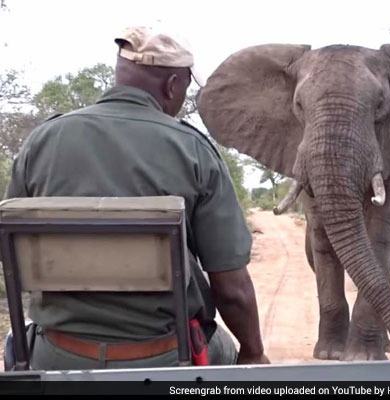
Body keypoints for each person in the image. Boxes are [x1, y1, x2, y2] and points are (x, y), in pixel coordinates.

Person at [4, 26, 270, 369]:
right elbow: (232, 289)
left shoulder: (40, 141)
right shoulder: (194, 150)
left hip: (57, 352)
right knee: (230, 352)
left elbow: (10, 251)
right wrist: (252, 351)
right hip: (168, 356)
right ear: (173, 85)